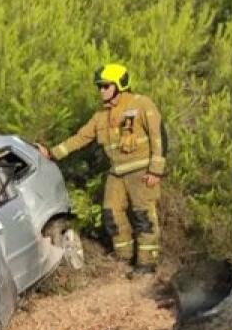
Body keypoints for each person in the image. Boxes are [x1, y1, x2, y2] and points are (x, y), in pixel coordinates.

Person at [38, 63, 166, 275]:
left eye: (106, 86)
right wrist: (52, 153)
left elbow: (158, 137)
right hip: (117, 173)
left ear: (119, 85)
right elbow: (80, 138)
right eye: (100, 86)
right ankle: (124, 258)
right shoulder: (101, 116)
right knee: (111, 214)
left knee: (144, 216)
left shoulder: (142, 104)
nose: (101, 90)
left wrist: (156, 170)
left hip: (141, 171)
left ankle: (147, 264)